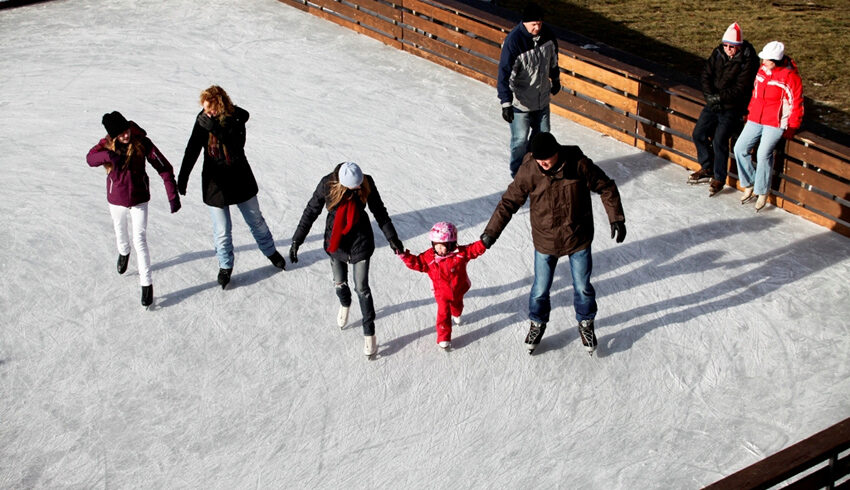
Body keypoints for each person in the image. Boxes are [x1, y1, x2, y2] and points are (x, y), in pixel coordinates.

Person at [480, 132, 625, 355]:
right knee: (540, 289)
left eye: (546, 158)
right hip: (545, 240)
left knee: (583, 288)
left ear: (556, 151)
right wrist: (491, 232)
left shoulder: (578, 164)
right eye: (538, 159)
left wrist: (616, 218)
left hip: (577, 237)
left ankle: (586, 323)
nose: (542, 163)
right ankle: (537, 323)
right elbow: (509, 201)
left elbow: (606, 186)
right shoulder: (530, 170)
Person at [289, 162, 404, 358]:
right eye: (354, 187)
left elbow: (379, 211)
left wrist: (392, 238)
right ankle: (345, 303)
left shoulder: (366, 182)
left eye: (359, 186)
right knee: (339, 282)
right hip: (337, 242)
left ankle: (369, 334)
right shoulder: (327, 185)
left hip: (361, 242)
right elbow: (311, 211)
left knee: (362, 289)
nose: (359, 189)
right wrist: (296, 239)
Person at [177, 85, 286, 289]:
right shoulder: (203, 120)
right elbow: (192, 149)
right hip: (215, 183)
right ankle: (225, 266)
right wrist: (183, 178)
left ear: (220, 105)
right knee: (222, 230)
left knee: (256, 220)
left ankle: (271, 251)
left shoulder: (236, 118)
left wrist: (215, 129)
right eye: (204, 108)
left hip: (239, 177)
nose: (206, 112)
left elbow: (237, 144)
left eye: (210, 108)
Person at [86, 111, 181, 307]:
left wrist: (172, 194)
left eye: (126, 131)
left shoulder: (142, 143)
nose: (126, 136)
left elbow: (164, 167)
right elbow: (90, 159)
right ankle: (123, 251)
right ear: (113, 136)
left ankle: (146, 285)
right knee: (120, 231)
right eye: (120, 134)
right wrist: (110, 156)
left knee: (140, 239)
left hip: (139, 199)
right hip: (116, 200)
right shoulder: (106, 145)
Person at [689, 22, 759, 197]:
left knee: (719, 140)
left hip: (732, 107)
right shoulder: (718, 53)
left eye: (732, 46)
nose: (728, 49)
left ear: (739, 46)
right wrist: (710, 97)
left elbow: (741, 88)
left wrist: (719, 98)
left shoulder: (748, 60)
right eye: (726, 45)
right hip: (713, 103)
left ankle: (719, 177)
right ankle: (707, 167)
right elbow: (706, 75)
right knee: (698, 133)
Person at [733, 41, 804, 212]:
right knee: (739, 148)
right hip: (755, 117)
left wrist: (792, 126)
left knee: (763, 153)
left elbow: (797, 103)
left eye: (766, 59)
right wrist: (749, 111)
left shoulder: (789, 77)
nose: (763, 61)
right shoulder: (762, 71)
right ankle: (749, 183)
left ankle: (762, 191)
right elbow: (756, 94)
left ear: (775, 60)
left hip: (776, 122)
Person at [398, 222, 487, 350]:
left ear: (451, 244)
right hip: (441, 293)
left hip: (458, 289)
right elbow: (417, 262)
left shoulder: (460, 254)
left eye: (442, 246)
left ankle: (457, 313)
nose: (439, 249)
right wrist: (404, 256)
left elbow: (473, 250)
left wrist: (483, 243)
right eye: (436, 245)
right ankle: (444, 337)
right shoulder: (429, 257)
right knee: (443, 313)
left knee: (457, 306)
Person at [497, 2, 560, 177]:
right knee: (519, 140)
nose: (537, 27)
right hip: (521, 102)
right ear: (524, 22)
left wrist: (555, 79)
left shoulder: (547, 35)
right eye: (533, 24)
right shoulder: (514, 42)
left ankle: (535, 166)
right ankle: (518, 174)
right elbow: (504, 74)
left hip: (541, 98)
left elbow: (553, 60)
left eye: (539, 23)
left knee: (543, 135)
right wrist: (506, 103)